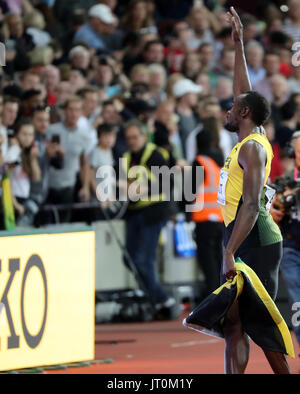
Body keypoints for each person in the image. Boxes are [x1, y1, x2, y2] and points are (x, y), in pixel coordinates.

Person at [218, 7, 290, 374]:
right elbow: (244, 90)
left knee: (258, 326)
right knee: (233, 325)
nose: (228, 109)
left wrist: (230, 251)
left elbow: (250, 204)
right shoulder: (253, 133)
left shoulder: (251, 147)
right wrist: (239, 44)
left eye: (232, 107)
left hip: (255, 238)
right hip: (239, 234)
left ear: (243, 112)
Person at [121, 119, 176, 318]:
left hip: (153, 211)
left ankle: (162, 298)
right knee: (129, 258)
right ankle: (157, 298)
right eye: (129, 138)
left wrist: (143, 189)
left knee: (143, 259)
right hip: (134, 212)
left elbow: (167, 182)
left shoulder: (154, 155)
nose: (132, 141)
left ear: (143, 137)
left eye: (135, 137)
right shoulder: (127, 157)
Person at [270, 131, 300, 363]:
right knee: (298, 302)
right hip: (291, 247)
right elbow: (262, 207)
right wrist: (272, 210)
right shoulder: (283, 182)